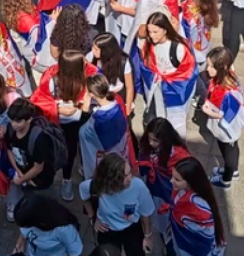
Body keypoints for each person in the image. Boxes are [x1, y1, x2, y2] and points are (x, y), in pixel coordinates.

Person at [29, 50, 98, 200]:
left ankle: (74, 172)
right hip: (59, 123)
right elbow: (38, 101)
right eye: (83, 63)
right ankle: (64, 179)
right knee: (65, 152)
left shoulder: (88, 75)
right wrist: (59, 109)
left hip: (81, 119)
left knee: (79, 147)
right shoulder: (51, 79)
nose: (86, 63)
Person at [80, 153, 155, 254]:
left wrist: (147, 236)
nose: (130, 178)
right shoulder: (97, 186)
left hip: (132, 229)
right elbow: (84, 195)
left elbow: (146, 214)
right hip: (107, 231)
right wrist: (92, 218)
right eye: (124, 176)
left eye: (129, 173)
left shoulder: (138, 186)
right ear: (111, 179)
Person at [200, 48, 244, 189]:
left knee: (229, 151)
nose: (207, 69)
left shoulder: (227, 91)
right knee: (230, 148)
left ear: (222, 68)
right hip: (227, 126)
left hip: (227, 128)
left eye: (211, 66)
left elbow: (224, 115)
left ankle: (226, 179)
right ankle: (233, 171)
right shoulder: (228, 76)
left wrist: (206, 110)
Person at [79, 74, 135, 185]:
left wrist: (85, 109)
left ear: (92, 94)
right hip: (121, 153)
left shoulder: (96, 120)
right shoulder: (118, 104)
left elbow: (82, 132)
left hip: (104, 159)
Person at [138, 118, 189, 237]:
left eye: (155, 140)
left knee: (168, 221)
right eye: (149, 138)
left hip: (168, 193)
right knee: (160, 219)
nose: (151, 143)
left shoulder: (179, 155)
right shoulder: (148, 146)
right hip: (155, 188)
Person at [167, 158, 227, 255]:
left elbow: (204, 239)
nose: (171, 181)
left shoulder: (198, 209)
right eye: (173, 176)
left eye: (177, 179)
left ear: (190, 181)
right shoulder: (188, 193)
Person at [14, 194, 83, 256]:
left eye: (26, 225)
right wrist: (21, 241)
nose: (24, 228)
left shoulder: (64, 230)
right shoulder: (28, 219)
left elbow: (74, 252)